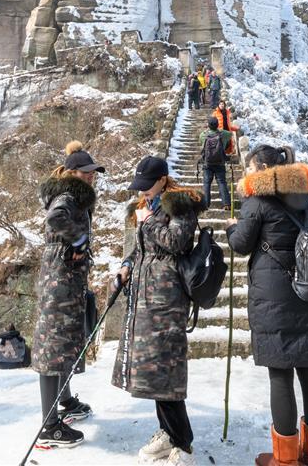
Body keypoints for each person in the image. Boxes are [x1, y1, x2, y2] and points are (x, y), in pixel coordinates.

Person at [225, 145, 308, 466]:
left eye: (249, 168)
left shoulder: (256, 202)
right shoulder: (304, 200)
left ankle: (285, 460)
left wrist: (233, 225)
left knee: (281, 375)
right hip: (305, 292)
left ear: (260, 168)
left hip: (273, 299)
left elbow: (240, 244)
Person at [112, 156, 203, 466]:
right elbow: (141, 249)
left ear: (164, 179)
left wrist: (148, 222)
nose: (144, 192)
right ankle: (167, 431)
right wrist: (126, 265)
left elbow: (176, 242)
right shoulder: (147, 206)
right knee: (152, 368)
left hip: (168, 297)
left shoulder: (181, 205)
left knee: (166, 366)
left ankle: (182, 441)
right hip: (145, 295)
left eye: (148, 186)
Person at [30, 141, 104, 449]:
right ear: (72, 172)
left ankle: (66, 401)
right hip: (59, 284)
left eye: (93, 172)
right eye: (86, 172)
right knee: (53, 347)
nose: (91, 177)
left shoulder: (74, 196)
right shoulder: (66, 196)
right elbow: (56, 219)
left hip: (65, 281)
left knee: (64, 344)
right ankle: (49, 427)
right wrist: (80, 241)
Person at [199, 117, 233, 211]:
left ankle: (205, 205)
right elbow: (231, 134)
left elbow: (201, 144)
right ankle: (226, 204)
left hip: (207, 164)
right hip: (220, 163)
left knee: (206, 183)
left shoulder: (203, 135)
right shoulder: (223, 134)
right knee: (222, 182)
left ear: (208, 125)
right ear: (218, 124)